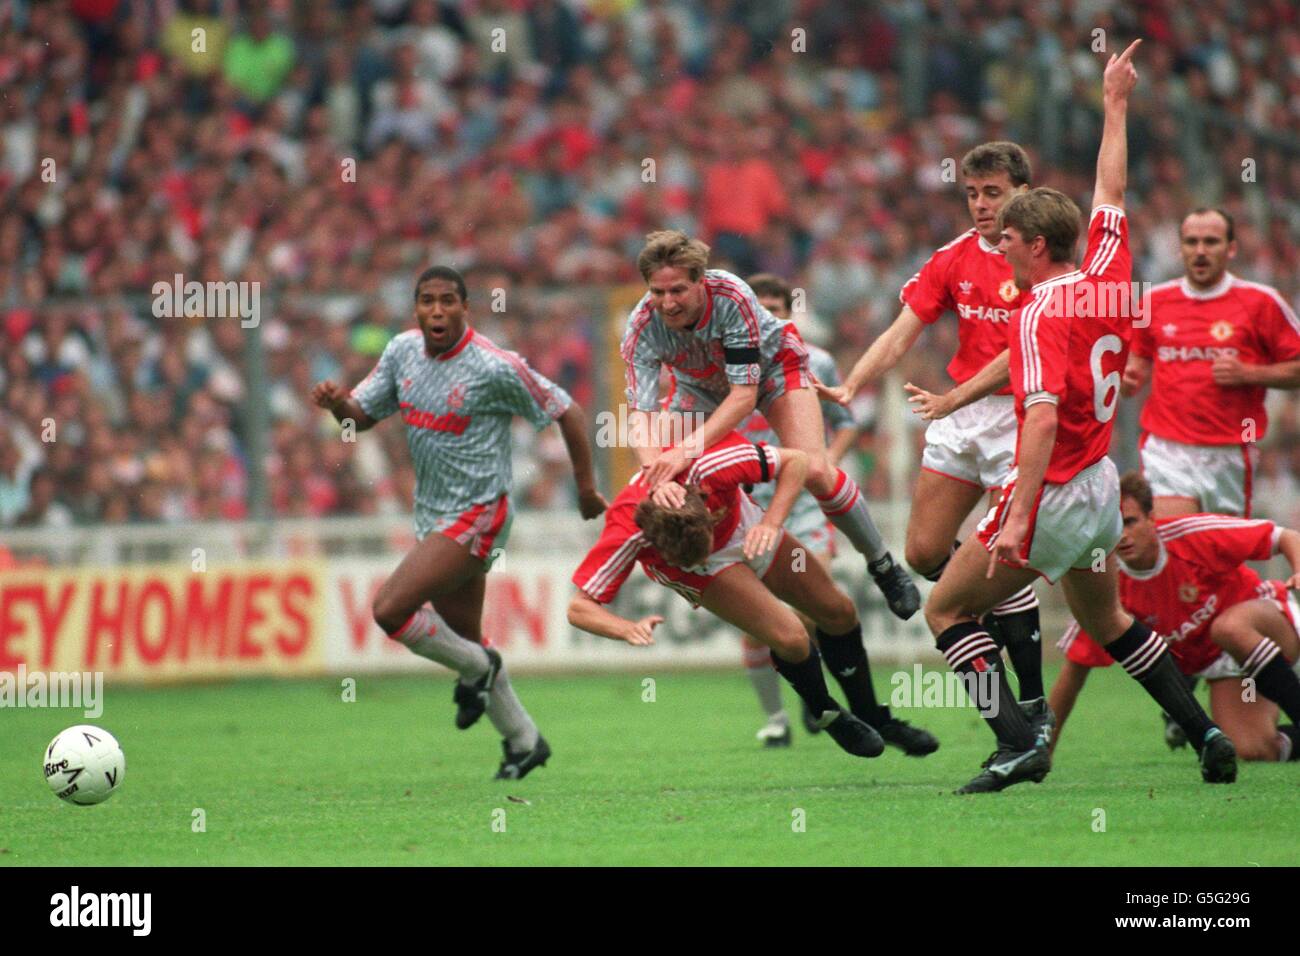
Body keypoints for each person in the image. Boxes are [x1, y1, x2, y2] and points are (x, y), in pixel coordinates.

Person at [917, 39, 1237, 793]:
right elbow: (1113, 191)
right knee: (1110, 624)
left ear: (1034, 244)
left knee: (945, 609)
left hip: (1057, 489)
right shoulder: (1108, 273)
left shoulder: (1035, 314)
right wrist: (1115, 102)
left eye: (1010, 242)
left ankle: (1016, 742)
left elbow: (1036, 419)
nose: (1002, 250)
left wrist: (1020, 514)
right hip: (1099, 488)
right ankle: (1205, 733)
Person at [311, 265, 607, 780]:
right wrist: (340, 406)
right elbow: (360, 419)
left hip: (481, 514)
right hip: (434, 517)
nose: (437, 310)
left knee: (389, 609)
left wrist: (585, 489)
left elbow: (569, 411)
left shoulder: (494, 366)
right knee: (466, 639)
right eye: (427, 301)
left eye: (448, 300)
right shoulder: (402, 353)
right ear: (417, 309)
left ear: (465, 308)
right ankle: (523, 741)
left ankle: (478, 671)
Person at [817, 142, 1049, 737]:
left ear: (1022, 191)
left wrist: (955, 396)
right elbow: (901, 333)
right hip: (962, 416)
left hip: (1024, 415)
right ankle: (989, 617)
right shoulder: (952, 259)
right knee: (923, 553)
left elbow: (1026, 352)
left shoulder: (1043, 264)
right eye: (971, 193)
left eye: (992, 193)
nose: (979, 205)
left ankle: (1032, 701)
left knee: (1005, 555)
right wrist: (852, 385)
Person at [568, 431, 935, 759]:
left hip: (748, 528)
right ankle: (828, 712)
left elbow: (796, 461)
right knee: (790, 636)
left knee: (838, 612)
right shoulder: (627, 527)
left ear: (707, 511)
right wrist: (625, 628)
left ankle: (874, 717)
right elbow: (579, 607)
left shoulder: (712, 463)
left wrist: (772, 521)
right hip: (705, 573)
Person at [620, 232, 920, 620]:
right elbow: (641, 413)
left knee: (815, 469)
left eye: (677, 290)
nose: (667, 303)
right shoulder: (642, 323)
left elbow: (744, 397)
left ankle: (882, 563)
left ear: (700, 280)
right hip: (699, 387)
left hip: (773, 372)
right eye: (657, 292)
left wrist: (682, 450)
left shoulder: (731, 296)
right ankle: (710, 561)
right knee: (665, 472)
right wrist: (653, 471)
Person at [734, 274, 937, 756]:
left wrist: (823, 458)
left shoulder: (812, 360)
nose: (768, 317)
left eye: (776, 308)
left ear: (788, 312)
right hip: (749, 508)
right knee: (759, 625)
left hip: (803, 507)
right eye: (759, 308)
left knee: (815, 606)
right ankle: (779, 718)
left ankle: (824, 698)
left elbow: (843, 422)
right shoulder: (731, 365)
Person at [1051, 473, 1300, 762]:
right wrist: (1042, 750)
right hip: (1224, 664)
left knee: (1228, 627)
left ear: (1150, 518)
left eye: (1129, 522)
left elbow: (1285, 537)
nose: (1121, 536)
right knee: (1253, 749)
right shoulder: (1109, 590)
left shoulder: (1191, 535)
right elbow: (1072, 674)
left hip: (1270, 621)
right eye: (1113, 526)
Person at [1122, 207, 1300, 520]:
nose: (1200, 251)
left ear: (1231, 248)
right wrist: (1129, 378)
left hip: (1230, 453)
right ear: (1180, 248)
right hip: (1167, 451)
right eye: (1191, 242)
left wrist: (1249, 373)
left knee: (1218, 561)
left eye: (1211, 242)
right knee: (1175, 544)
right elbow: (1138, 358)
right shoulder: (1153, 301)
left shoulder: (1261, 302)